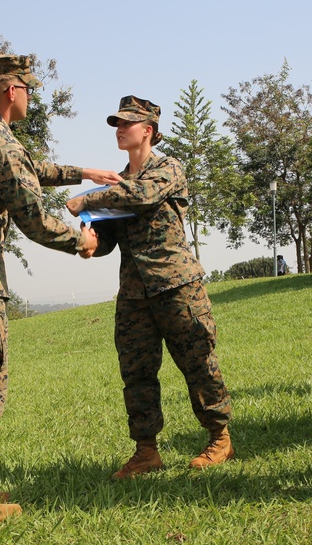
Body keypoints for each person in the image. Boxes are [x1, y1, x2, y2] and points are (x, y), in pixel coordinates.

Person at [0, 54, 120, 522]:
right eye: (29, 88)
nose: (31, 95)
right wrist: (81, 240)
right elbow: (32, 216)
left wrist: (85, 173)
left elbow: (28, 167)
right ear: (12, 91)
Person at [65, 96, 234, 480]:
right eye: (116, 123)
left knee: (198, 363)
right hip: (134, 294)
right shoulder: (116, 183)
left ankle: (219, 437)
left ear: (150, 131)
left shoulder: (167, 168)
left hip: (177, 286)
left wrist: (85, 198)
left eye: (128, 123)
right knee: (137, 372)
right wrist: (88, 242)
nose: (120, 129)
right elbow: (105, 238)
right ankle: (146, 451)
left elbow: (139, 196)